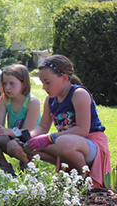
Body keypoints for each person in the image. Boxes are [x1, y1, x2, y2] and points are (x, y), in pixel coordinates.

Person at [24, 55, 111, 189]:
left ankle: (86, 179)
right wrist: (27, 137)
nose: (44, 87)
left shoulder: (79, 94)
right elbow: (42, 127)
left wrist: (50, 138)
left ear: (64, 78)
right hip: (69, 144)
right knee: (30, 146)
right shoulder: (50, 99)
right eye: (42, 82)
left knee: (63, 142)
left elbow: (82, 130)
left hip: (92, 143)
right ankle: (70, 172)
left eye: (47, 82)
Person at [0, 64, 41, 173]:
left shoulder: (32, 102)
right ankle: (5, 167)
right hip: (13, 138)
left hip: (31, 142)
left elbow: (27, 132)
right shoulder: (5, 99)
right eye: (4, 83)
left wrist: (8, 131)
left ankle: (28, 163)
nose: (7, 87)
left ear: (24, 84)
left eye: (12, 84)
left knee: (12, 145)